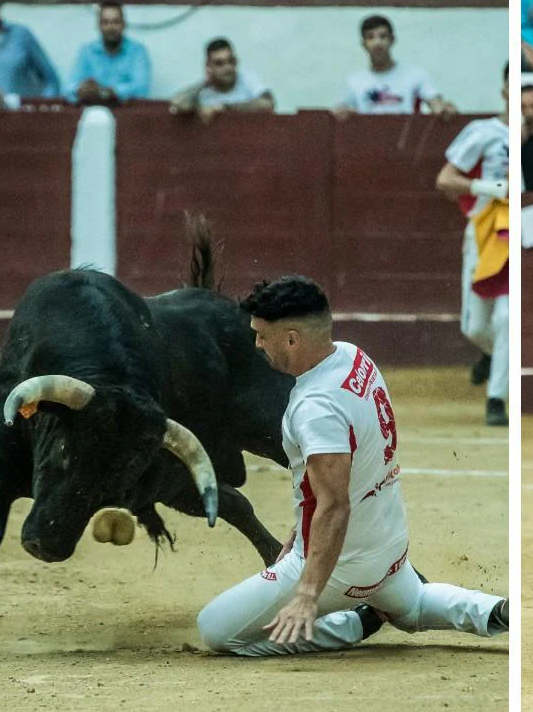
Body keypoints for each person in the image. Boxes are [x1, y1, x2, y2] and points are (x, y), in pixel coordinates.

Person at [196, 276, 509, 655]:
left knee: (215, 631)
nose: (258, 345)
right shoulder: (353, 356)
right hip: (388, 547)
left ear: (292, 340)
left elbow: (334, 504)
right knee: (414, 605)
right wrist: (299, 529)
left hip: (340, 565)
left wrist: (308, 593)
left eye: (262, 336)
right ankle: (494, 611)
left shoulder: (315, 407)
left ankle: (352, 622)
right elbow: (342, 478)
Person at [435, 65, 511, 426]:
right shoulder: (484, 132)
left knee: (507, 318)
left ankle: (496, 399)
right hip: (484, 231)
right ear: (504, 89)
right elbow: (445, 180)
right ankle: (494, 357)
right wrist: (486, 188)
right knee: (476, 327)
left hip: (519, 233)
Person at [336, 15, 457, 116]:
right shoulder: (354, 81)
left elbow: (436, 105)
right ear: (363, 44)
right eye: (370, 37)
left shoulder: (416, 75)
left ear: (392, 39)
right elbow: (341, 112)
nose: (377, 42)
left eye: (383, 36)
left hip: (408, 142)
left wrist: (443, 108)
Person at [170, 38, 274, 122]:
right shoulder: (203, 90)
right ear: (208, 67)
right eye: (219, 63)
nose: (227, 67)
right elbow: (177, 103)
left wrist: (224, 107)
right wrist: (204, 83)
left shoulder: (247, 80)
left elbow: (268, 104)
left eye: (231, 61)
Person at [67, 2, 152, 105]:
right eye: (105, 22)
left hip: (126, 113)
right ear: (98, 25)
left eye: (115, 22)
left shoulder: (137, 51)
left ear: (124, 24)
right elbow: (68, 88)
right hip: (92, 112)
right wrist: (81, 90)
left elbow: (141, 88)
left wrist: (106, 93)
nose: (110, 27)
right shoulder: (87, 51)